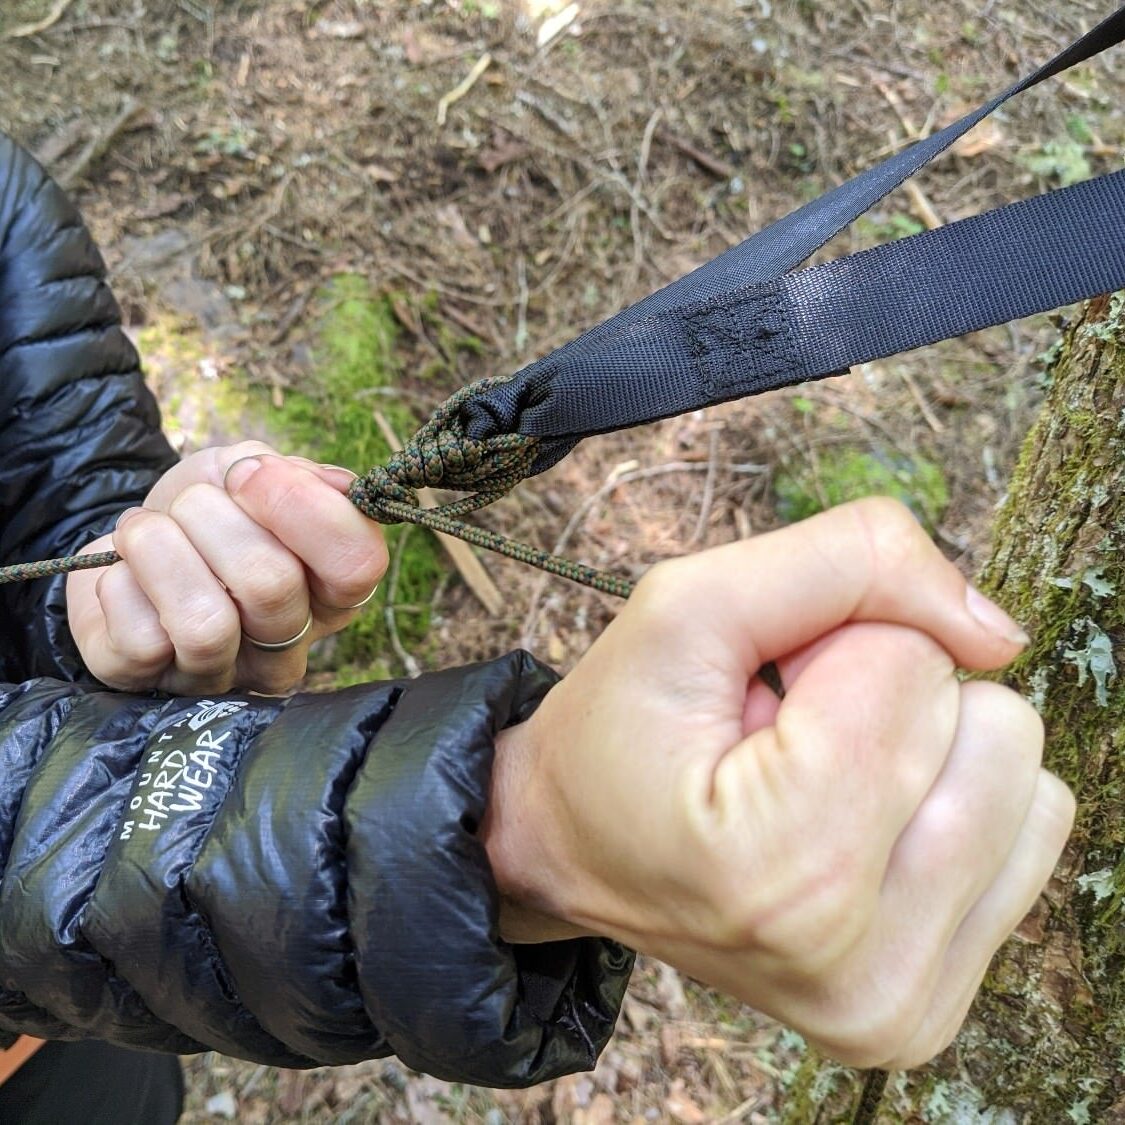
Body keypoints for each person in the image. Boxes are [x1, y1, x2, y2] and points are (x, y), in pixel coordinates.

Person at [0, 129, 1074, 1122]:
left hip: (76, 1047)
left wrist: (106, 601)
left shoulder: (5, 202)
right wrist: (493, 826)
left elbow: (66, 483)